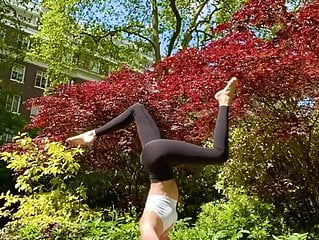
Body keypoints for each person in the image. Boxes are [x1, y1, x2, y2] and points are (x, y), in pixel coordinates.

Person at [66, 77, 237, 240]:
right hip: (155, 159)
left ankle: (223, 100)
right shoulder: (161, 229)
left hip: (157, 155)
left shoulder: (147, 226)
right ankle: (93, 134)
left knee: (219, 154)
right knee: (137, 109)